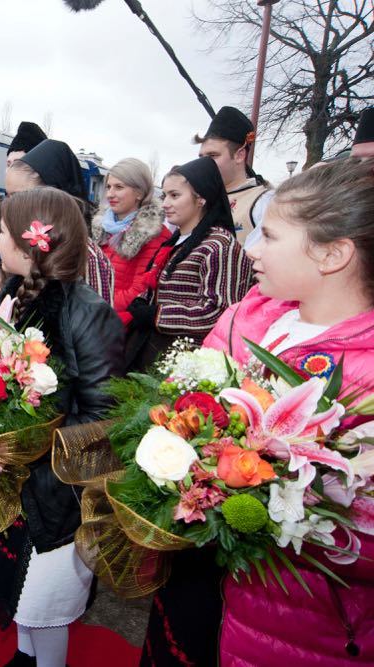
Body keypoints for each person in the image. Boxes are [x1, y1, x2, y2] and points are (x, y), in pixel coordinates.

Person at [142, 158, 374, 667]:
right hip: (197, 577)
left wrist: (268, 499)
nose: (251, 248)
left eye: (269, 235)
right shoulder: (251, 312)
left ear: (332, 253)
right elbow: (185, 402)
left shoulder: (366, 367)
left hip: (295, 623)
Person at [0, 187, 123, 667]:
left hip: (60, 489)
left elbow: (102, 420)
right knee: (20, 590)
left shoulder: (88, 313)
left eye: (1, 229)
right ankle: (24, 656)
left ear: (29, 242)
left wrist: (25, 448)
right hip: (21, 480)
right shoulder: (12, 295)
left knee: (46, 604)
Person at [126, 157, 255, 371]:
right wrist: (142, 301)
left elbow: (220, 311)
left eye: (175, 195)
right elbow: (161, 286)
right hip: (154, 350)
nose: (165, 203)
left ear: (201, 198)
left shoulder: (219, 245)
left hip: (188, 361)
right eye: (164, 195)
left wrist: (157, 315)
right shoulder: (176, 240)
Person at [6, 139, 115, 306]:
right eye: (9, 197)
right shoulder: (27, 243)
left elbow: (99, 323)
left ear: (53, 193)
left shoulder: (86, 255)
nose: (12, 205)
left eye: (19, 196)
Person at [90, 158, 171, 326]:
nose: (110, 194)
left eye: (119, 187)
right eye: (108, 187)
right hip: (92, 317)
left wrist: (92, 303)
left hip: (117, 326)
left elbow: (138, 291)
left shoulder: (154, 234)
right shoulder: (101, 227)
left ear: (139, 193)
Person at [196, 106, 273, 248]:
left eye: (213, 155)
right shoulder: (198, 200)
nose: (203, 163)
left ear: (239, 155)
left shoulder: (263, 202)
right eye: (201, 157)